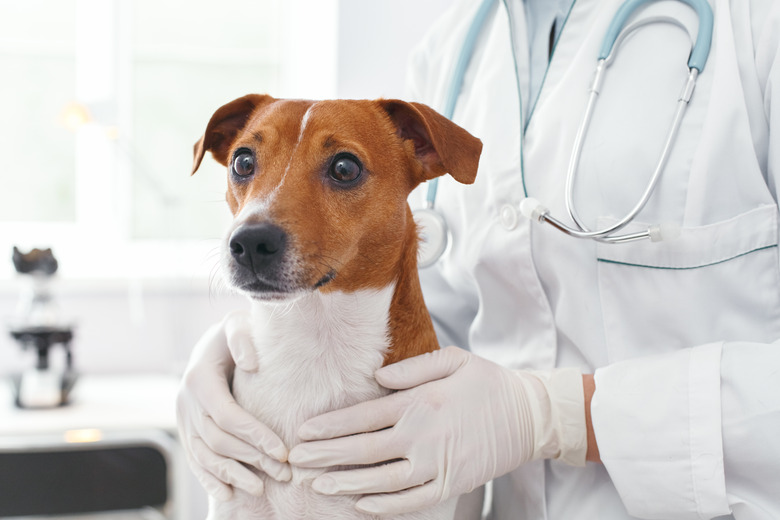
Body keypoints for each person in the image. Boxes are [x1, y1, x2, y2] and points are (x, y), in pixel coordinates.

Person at [176, 0, 780, 518]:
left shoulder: (757, 26)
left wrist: (554, 414)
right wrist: (262, 352)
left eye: (342, 169)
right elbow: (434, 298)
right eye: (245, 165)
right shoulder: (454, 45)